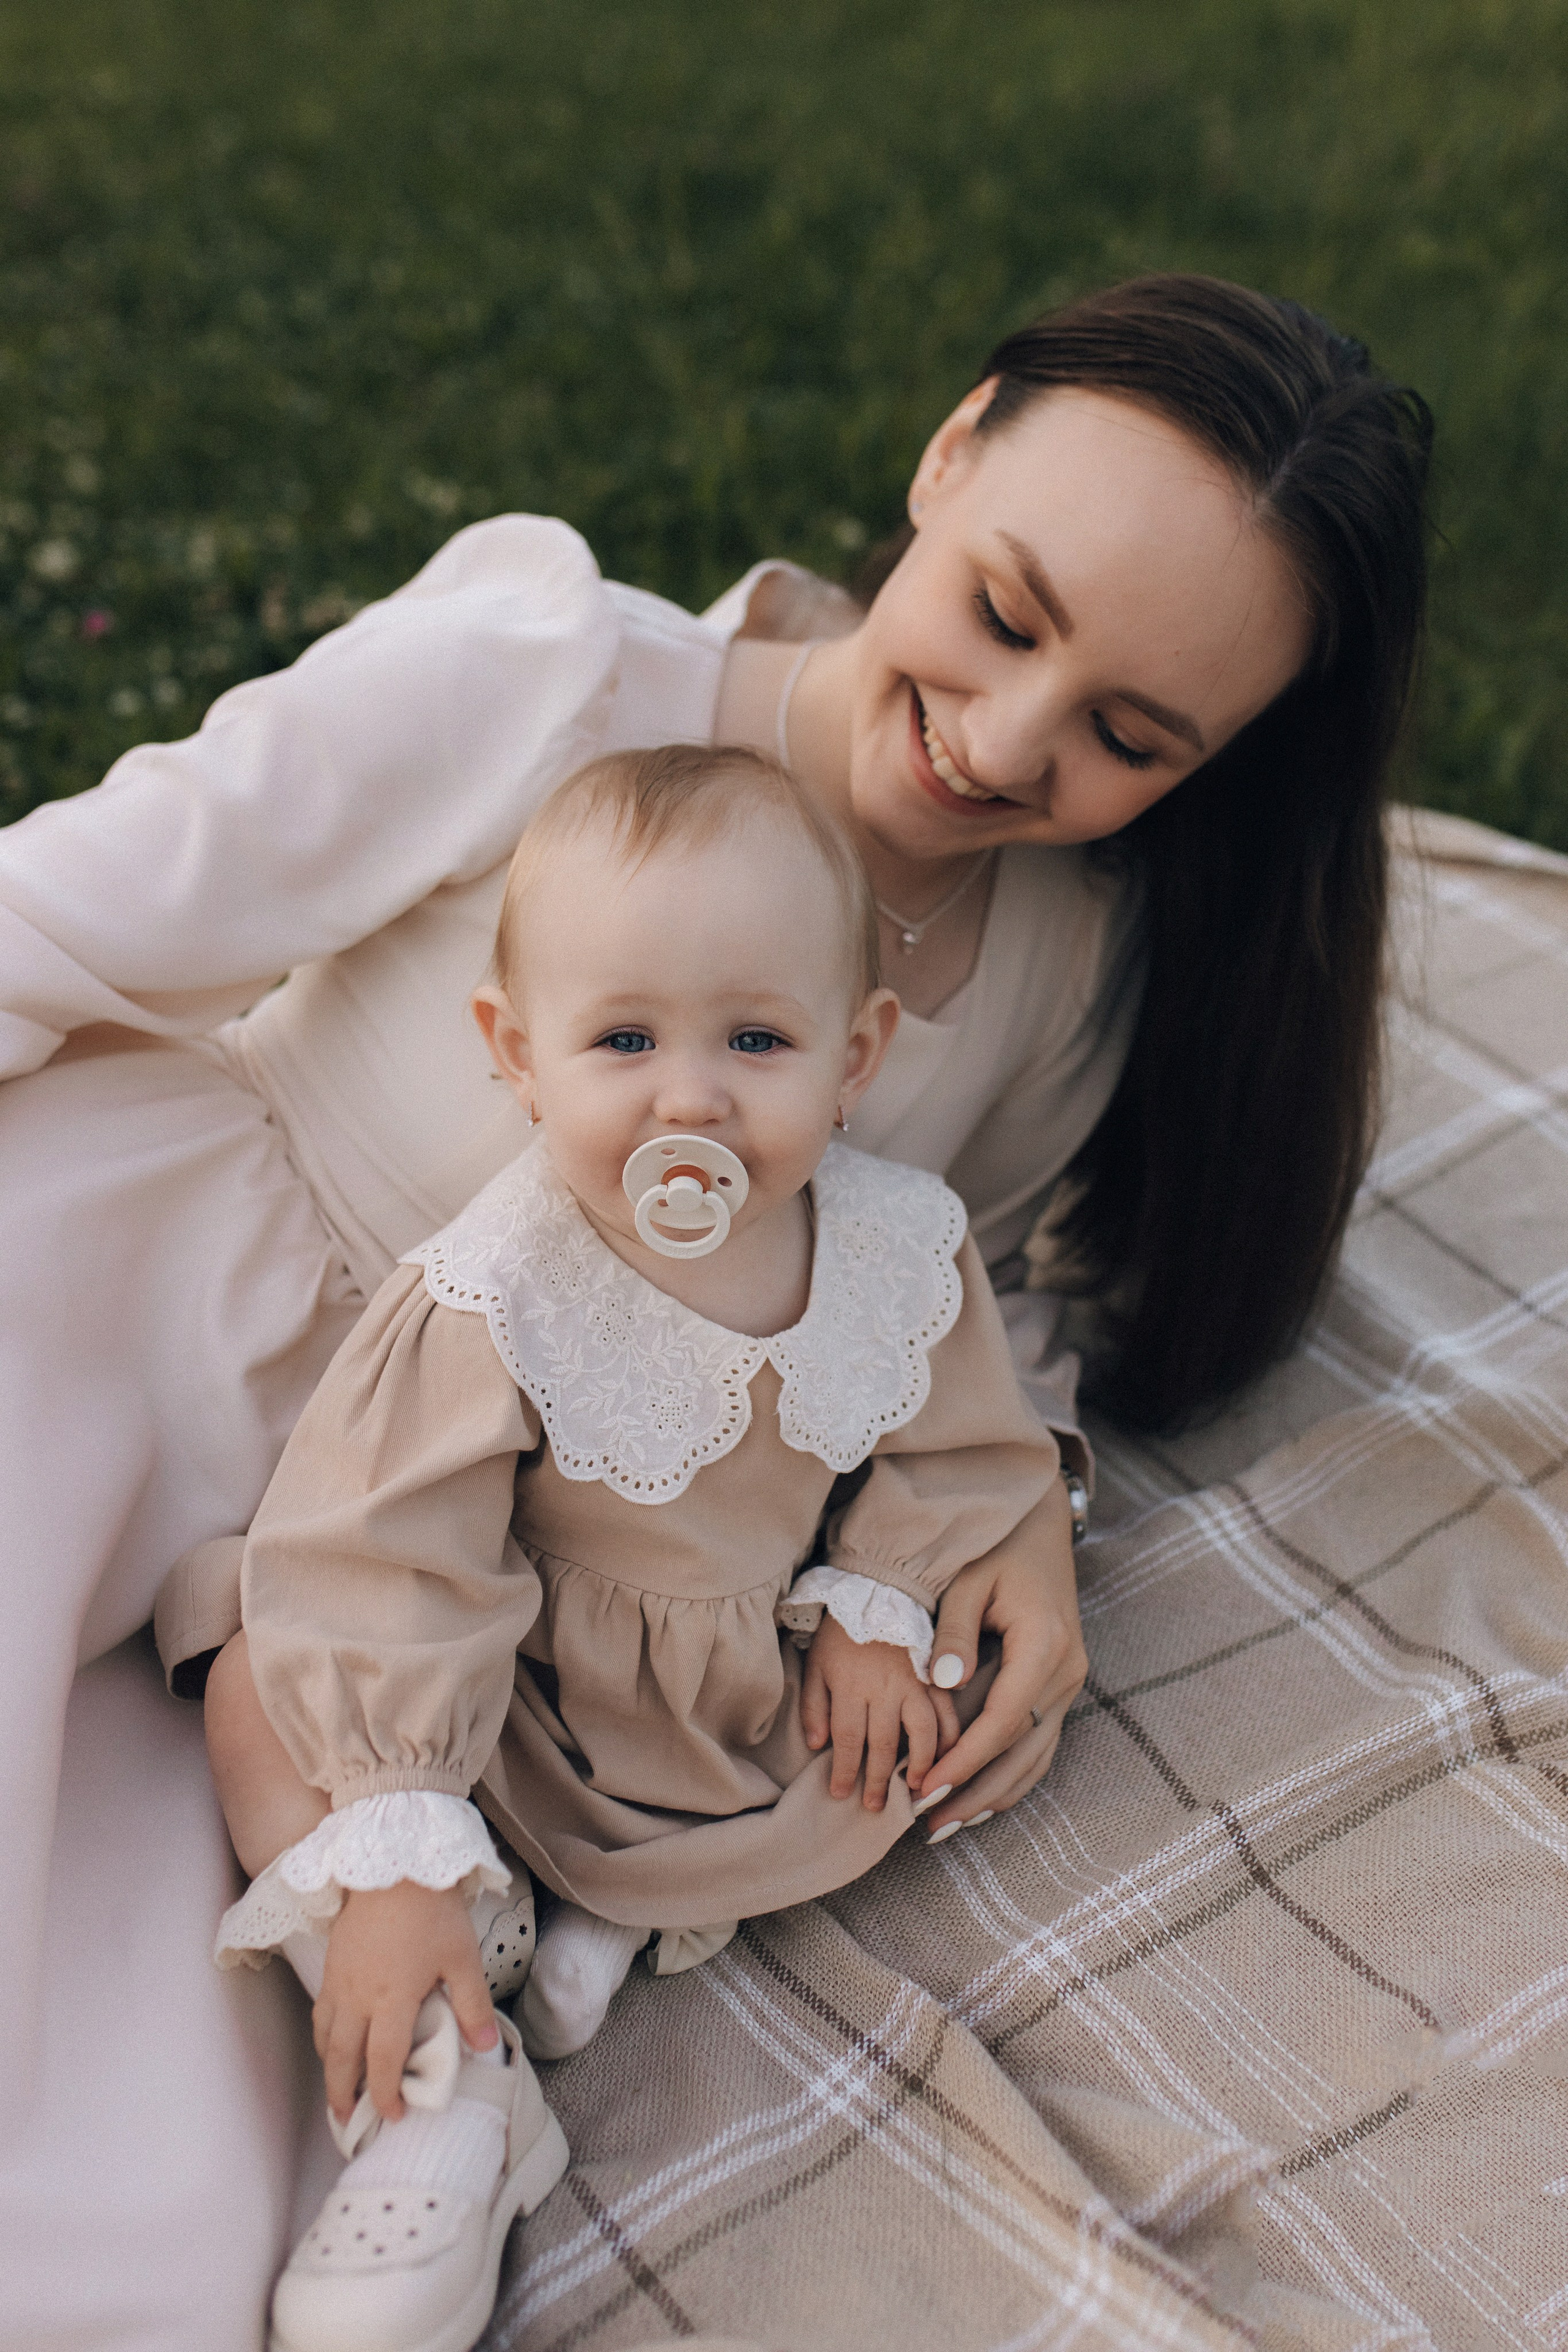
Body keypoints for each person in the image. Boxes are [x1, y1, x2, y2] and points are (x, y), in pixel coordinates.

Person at [0, 273, 1430, 2351]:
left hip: (457, 1544)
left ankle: (443, 2109)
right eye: (1010, 615)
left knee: (171, 2032)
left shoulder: (1058, 982)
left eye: (1133, 736)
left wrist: (1013, 1502)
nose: (1008, 743)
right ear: (948, 457)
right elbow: (81, 897)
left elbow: (952, 1287)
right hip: (151, 1293)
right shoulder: (560, 682)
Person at [191, 742, 1062, 2352]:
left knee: (907, 1707)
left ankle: (607, 1914)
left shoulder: (886, 1243)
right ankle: (451, 2071)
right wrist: (397, 1821)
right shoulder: (498, 1289)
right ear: (515, 1057)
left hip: (752, 1710)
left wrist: (881, 1605)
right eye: (624, 1039)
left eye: (755, 1037)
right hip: (512, 1706)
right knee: (257, 1675)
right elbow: (389, 1553)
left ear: (856, 1052)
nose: (690, 1096)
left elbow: (955, 1449)